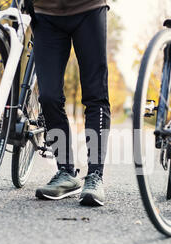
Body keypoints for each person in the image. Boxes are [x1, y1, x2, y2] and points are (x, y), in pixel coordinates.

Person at [30, 0, 111, 206]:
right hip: (44, 13)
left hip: (88, 9)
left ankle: (95, 176)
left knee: (95, 96)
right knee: (48, 97)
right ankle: (65, 172)